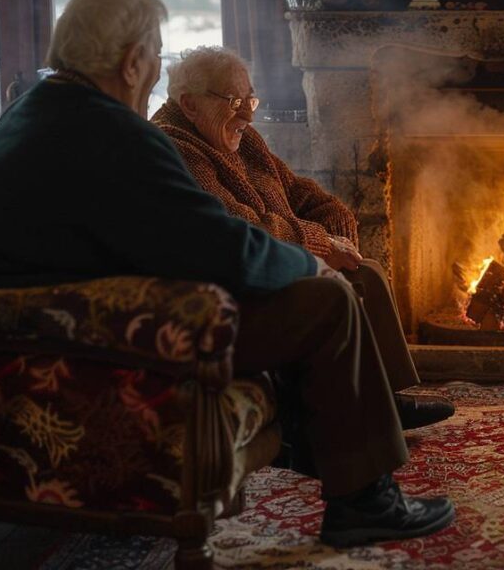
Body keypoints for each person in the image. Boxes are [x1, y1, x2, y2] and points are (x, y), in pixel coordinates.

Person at [0, 0, 454, 548]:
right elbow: (214, 239)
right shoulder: (113, 133)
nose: (158, 70)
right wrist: (308, 265)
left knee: (313, 290)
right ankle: (363, 499)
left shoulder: (36, 112)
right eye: (157, 55)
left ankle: (323, 441)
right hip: (88, 336)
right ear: (134, 62)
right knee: (325, 299)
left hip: (49, 321)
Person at [150, 46, 453, 432]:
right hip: (241, 281)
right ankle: (370, 406)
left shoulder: (243, 140)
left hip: (282, 258)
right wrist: (324, 248)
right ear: (190, 104)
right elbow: (241, 225)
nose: (247, 112)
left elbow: (305, 194)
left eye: (250, 98)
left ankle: (381, 398)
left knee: (365, 269)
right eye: (234, 101)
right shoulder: (178, 147)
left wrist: (338, 234)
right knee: (358, 279)